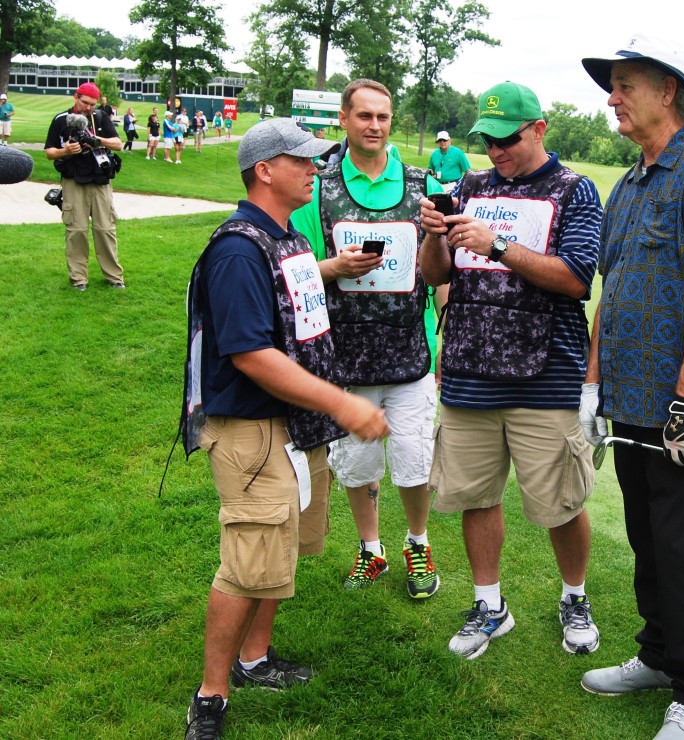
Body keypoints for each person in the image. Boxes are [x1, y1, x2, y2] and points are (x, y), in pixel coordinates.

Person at [180, 117, 388, 740]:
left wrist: (329, 269)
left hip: (297, 429)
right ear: (264, 170)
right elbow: (251, 354)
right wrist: (343, 403)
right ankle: (210, 695)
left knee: (284, 549)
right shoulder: (239, 249)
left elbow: (289, 302)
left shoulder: (287, 237)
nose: (314, 169)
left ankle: (255, 659)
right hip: (254, 432)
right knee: (247, 564)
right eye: (301, 161)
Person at [577, 36, 684, 739]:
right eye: (611, 85)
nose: (612, 96)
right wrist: (592, 390)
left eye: (624, 84)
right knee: (649, 542)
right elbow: (611, 294)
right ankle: (657, 656)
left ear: (667, 92)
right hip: (631, 405)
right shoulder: (630, 183)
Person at [418, 80, 603, 660]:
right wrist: (433, 235)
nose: (495, 151)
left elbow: (576, 278)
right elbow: (436, 277)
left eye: (507, 139)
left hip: (545, 376)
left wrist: (497, 246)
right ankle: (489, 605)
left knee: (561, 502)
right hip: (469, 371)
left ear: (539, 130)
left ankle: (574, 597)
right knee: (476, 496)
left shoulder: (574, 189)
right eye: (487, 140)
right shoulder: (469, 186)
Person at [292, 79, 446, 597]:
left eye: (383, 116)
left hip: (410, 352)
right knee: (357, 464)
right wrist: (335, 266)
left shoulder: (422, 183)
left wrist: (445, 334)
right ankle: (370, 550)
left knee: (413, 457)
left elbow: (442, 271)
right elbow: (294, 270)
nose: (374, 126)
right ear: (344, 118)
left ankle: (418, 544)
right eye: (364, 116)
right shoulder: (319, 187)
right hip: (346, 357)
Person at [44, 81, 125, 291]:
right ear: (76, 97)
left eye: (92, 104)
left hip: (100, 180)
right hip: (73, 180)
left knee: (105, 229)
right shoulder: (61, 120)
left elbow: (118, 144)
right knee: (76, 230)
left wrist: (96, 139)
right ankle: (78, 278)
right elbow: (49, 152)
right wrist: (66, 151)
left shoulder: (100, 118)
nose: (88, 107)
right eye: (85, 102)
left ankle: (114, 276)